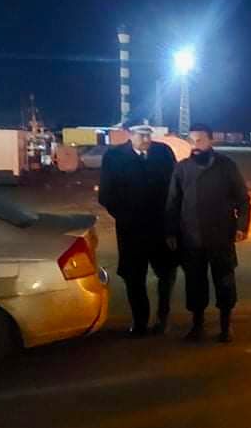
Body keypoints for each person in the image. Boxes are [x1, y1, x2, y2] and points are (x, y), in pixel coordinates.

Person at [166, 123, 251, 343]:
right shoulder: (182, 169)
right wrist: (171, 232)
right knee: (195, 284)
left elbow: (243, 200)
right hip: (191, 238)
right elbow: (173, 203)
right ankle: (197, 325)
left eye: (200, 140)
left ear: (211, 141)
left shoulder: (226, 166)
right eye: (192, 141)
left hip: (221, 237)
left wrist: (241, 226)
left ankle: (226, 325)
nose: (195, 145)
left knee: (225, 283)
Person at [99, 120, 178, 338]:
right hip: (131, 230)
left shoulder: (163, 153)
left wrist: (172, 219)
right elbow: (106, 195)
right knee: (134, 278)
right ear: (128, 134)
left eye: (148, 134)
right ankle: (140, 321)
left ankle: (163, 318)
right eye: (140, 135)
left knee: (167, 274)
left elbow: (175, 187)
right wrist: (127, 216)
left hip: (162, 228)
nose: (146, 139)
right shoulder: (114, 157)